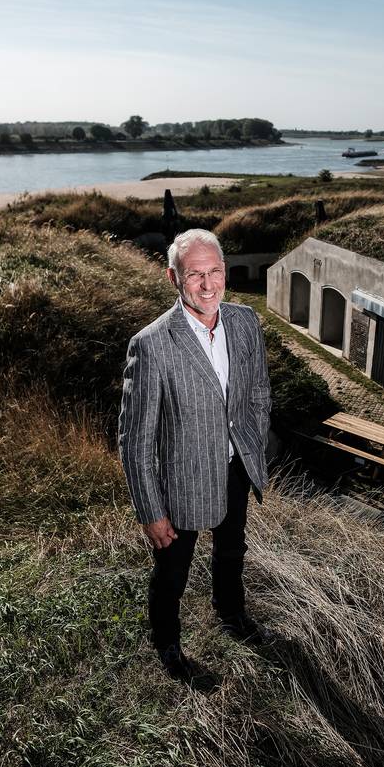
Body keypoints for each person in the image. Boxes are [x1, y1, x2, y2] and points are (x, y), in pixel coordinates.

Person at [118, 229, 271, 681]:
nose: (207, 285)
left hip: (236, 467)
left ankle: (231, 614)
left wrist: (253, 443)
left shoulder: (245, 321)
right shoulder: (151, 344)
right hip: (181, 482)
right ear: (173, 278)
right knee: (173, 570)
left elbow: (259, 392)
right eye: (194, 275)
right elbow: (135, 440)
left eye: (215, 272)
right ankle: (167, 644)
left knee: (232, 549)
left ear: (226, 272)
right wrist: (151, 511)